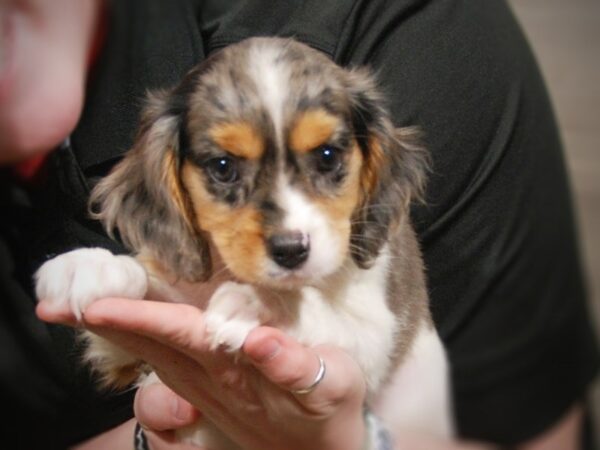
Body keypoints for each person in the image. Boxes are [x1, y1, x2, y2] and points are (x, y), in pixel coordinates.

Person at [1, 0, 598, 449]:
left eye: (328, 159)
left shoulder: (409, 28)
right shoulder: (163, 194)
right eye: (226, 166)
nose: (289, 227)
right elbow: (132, 342)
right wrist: (120, 281)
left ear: (372, 168)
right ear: (166, 179)